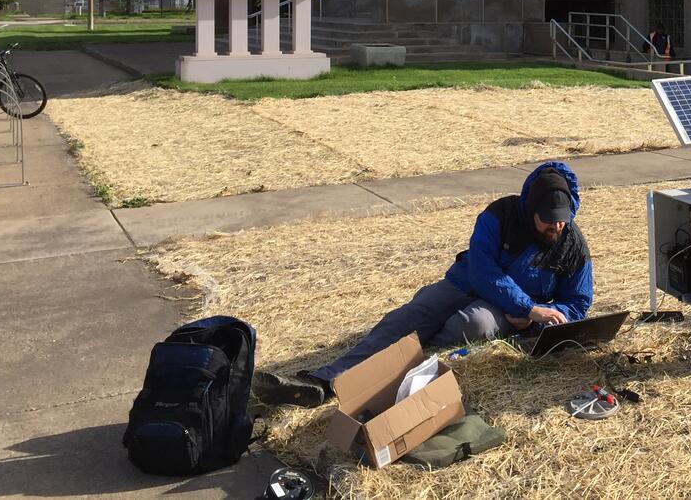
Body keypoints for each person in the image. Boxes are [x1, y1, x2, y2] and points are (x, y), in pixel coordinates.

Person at [254, 161, 593, 407]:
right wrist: (528, 307)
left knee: (471, 325)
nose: (556, 227)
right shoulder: (499, 215)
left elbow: (578, 303)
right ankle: (322, 382)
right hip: (469, 285)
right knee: (408, 317)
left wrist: (541, 315)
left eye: (562, 220)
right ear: (531, 208)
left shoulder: (573, 244)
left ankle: (403, 366)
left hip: (511, 314)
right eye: (548, 220)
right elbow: (482, 270)